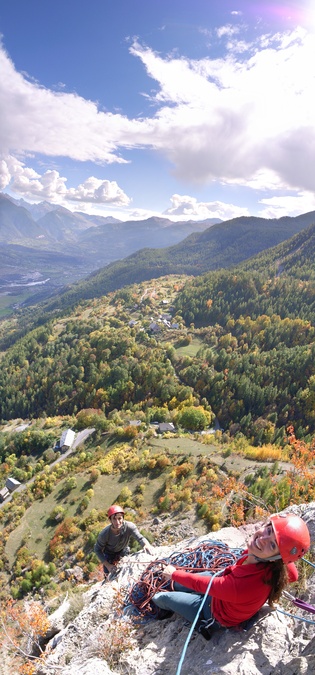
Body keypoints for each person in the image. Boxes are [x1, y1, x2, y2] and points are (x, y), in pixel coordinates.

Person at [152, 513, 311, 637]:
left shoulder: (243, 586)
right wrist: (282, 549)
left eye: (272, 544)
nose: (262, 539)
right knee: (179, 584)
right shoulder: (273, 565)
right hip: (220, 592)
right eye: (269, 530)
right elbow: (294, 575)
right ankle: (175, 586)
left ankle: (163, 610)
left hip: (213, 612)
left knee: (161, 598)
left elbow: (204, 585)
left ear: (276, 558)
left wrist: (173, 573)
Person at [94, 504, 154, 577]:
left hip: (123, 550)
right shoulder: (104, 534)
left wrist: (145, 544)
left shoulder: (129, 526)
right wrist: (108, 565)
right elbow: (97, 550)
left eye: (119, 518)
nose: (117, 522)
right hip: (109, 554)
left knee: (126, 569)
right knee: (108, 575)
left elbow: (140, 537)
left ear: (123, 518)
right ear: (110, 520)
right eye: (114, 519)